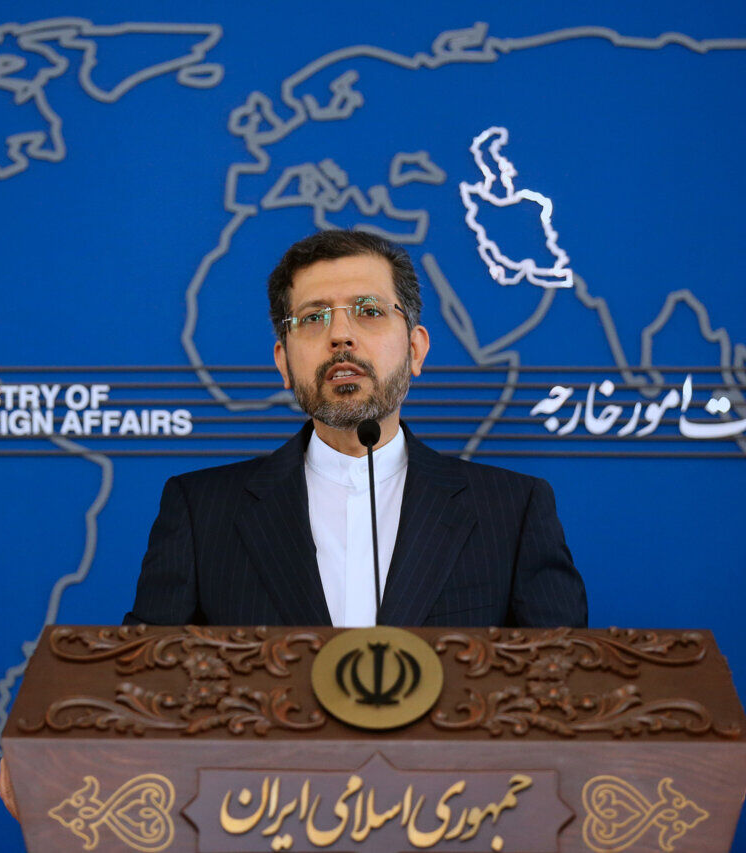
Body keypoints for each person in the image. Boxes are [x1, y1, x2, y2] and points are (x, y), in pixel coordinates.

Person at [125, 229, 586, 628]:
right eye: (313, 317)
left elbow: (563, 679)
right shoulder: (201, 512)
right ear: (283, 362)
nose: (340, 335)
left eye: (369, 311)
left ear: (415, 350)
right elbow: (145, 677)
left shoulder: (512, 511)